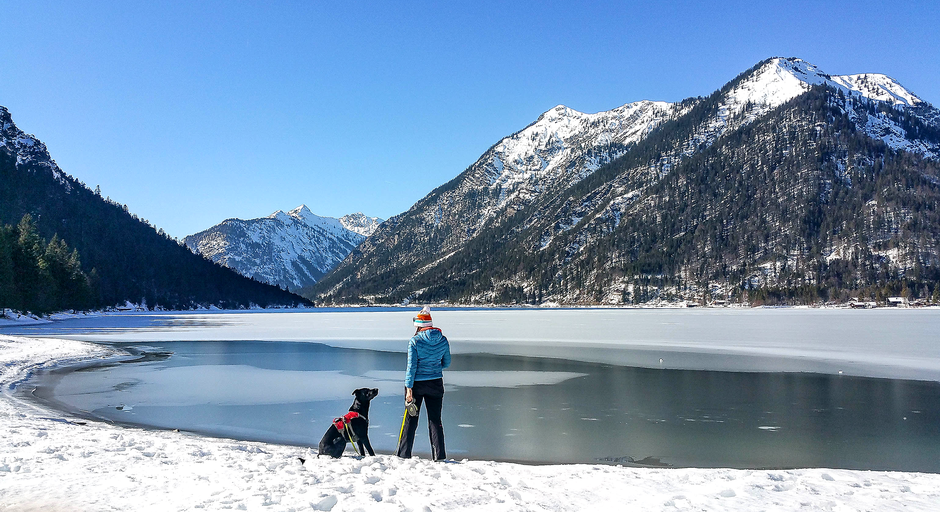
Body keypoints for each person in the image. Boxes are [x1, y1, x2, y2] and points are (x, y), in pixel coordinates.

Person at [397, 305, 451, 461]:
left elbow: (411, 367)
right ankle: (439, 456)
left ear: (418, 326)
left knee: (410, 420)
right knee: (435, 420)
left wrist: (409, 389)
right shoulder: (443, 339)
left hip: (417, 385)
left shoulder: (415, 341)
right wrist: (434, 367)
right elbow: (447, 362)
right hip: (436, 383)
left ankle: (404, 454)